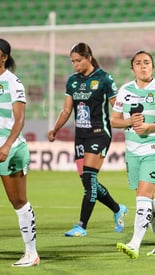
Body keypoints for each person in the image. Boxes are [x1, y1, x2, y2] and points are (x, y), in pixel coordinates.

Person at [48, 42, 128, 237]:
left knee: (90, 178)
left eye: (78, 60)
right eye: (73, 61)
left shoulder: (104, 79)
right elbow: (67, 109)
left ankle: (81, 226)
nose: (75, 65)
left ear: (89, 57)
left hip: (99, 133)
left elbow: (115, 106)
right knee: (88, 182)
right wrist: (55, 128)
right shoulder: (72, 81)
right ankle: (118, 209)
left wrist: (127, 121)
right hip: (81, 137)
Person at [111, 50, 155, 259]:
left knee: (142, 195)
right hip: (133, 153)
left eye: (147, 63)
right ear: (132, 68)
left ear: (153, 67)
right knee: (149, 199)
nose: (143, 66)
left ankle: (134, 243)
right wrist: (130, 122)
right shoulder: (124, 91)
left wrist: (150, 127)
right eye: (138, 63)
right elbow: (114, 121)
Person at [0, 38, 39, 267]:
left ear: (4, 56)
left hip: (11, 149)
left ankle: (31, 253)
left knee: (18, 201)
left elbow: (20, 118)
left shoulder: (12, 82)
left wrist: (6, 146)